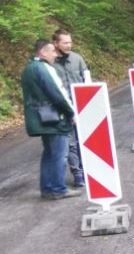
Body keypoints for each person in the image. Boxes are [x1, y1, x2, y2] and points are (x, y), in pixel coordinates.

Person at [21, 39, 80, 200]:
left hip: (41, 119)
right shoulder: (44, 68)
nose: (55, 54)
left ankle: (47, 188)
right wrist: (71, 112)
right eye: (52, 51)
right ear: (42, 52)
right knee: (59, 155)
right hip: (53, 119)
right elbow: (57, 93)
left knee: (49, 154)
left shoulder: (29, 69)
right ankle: (58, 189)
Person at [52, 29, 89, 188]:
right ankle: (78, 174)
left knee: (85, 139)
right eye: (65, 42)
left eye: (70, 42)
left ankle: (89, 169)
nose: (69, 45)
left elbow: (86, 78)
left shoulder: (77, 59)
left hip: (82, 106)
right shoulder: (51, 63)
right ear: (56, 43)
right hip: (63, 109)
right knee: (71, 143)